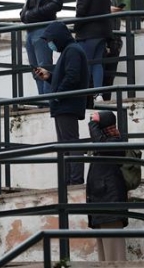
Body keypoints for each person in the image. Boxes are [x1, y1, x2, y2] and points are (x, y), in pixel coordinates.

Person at [34, 21, 89, 185]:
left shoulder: (72, 50)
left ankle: (74, 181)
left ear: (58, 37)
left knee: (70, 143)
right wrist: (49, 77)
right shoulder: (70, 50)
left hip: (67, 104)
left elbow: (72, 77)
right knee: (66, 145)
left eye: (51, 39)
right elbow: (67, 77)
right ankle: (68, 181)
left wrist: (57, 95)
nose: (50, 44)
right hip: (64, 104)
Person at [20, 0, 64, 95]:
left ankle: (47, 101)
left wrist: (32, 14)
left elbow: (56, 4)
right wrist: (23, 13)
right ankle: (42, 100)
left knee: (45, 67)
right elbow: (31, 2)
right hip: (31, 29)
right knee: (35, 70)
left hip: (43, 29)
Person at [87, 110, 128, 262]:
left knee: (114, 253)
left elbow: (99, 144)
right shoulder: (106, 142)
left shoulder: (115, 142)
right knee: (104, 253)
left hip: (110, 202)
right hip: (100, 201)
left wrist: (93, 123)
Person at [72, 0, 112, 102]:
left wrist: (76, 28)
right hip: (103, 32)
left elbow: (81, 10)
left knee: (85, 64)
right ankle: (98, 93)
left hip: (88, 32)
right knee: (97, 63)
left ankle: (84, 95)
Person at [96, 0, 125, 101]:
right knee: (97, 76)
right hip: (100, 39)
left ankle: (106, 104)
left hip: (114, 41)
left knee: (109, 78)